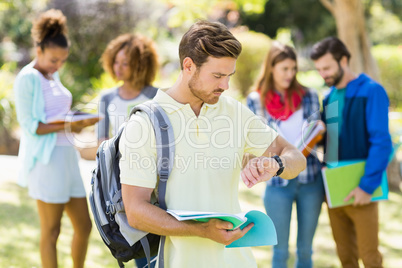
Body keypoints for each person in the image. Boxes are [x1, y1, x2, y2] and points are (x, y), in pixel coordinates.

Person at [119, 20, 307, 268]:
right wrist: (201, 230)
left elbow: (297, 158)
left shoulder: (234, 112)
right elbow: (135, 211)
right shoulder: (144, 124)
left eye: (229, 76)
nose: (225, 86)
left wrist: (275, 164)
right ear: (188, 66)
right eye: (217, 76)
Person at [13, 9, 94, 268]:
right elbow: (32, 126)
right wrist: (71, 123)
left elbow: (60, 115)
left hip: (68, 160)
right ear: (38, 50)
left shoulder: (52, 75)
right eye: (53, 60)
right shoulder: (27, 78)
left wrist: (78, 122)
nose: (58, 65)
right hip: (47, 163)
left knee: (84, 225)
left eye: (62, 61)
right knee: (52, 231)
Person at [310, 37, 392, 268]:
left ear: (343, 60)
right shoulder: (328, 98)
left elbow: (381, 142)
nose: (322, 74)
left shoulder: (371, 91)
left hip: (363, 189)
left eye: (326, 68)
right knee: (345, 257)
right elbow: (331, 146)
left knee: (370, 257)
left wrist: (366, 186)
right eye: (318, 70)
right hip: (335, 191)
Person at [247, 42, 325, 268]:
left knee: (305, 251)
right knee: (279, 252)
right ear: (271, 68)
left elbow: (316, 138)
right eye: (285, 69)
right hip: (277, 185)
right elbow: (253, 145)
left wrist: (319, 132)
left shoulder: (309, 95)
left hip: (310, 181)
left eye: (293, 69)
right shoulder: (255, 100)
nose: (290, 74)